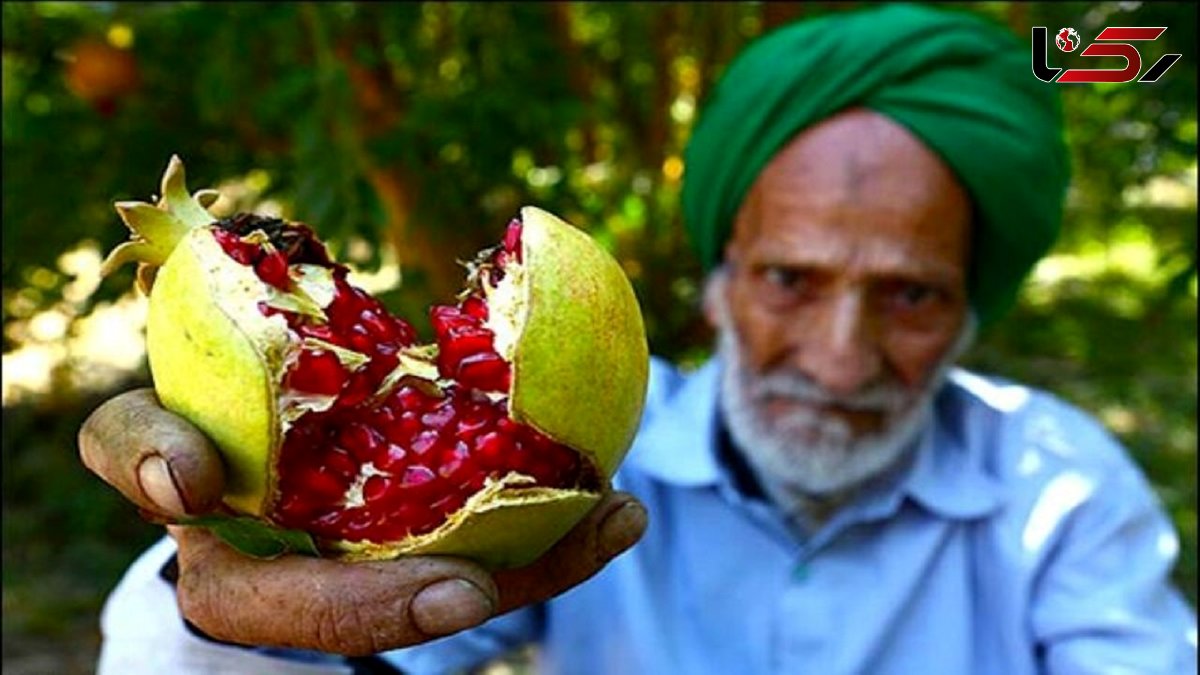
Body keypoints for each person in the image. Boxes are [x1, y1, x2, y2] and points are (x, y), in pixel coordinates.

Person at [80, 4, 1196, 674]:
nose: (841, 354)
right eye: (789, 280)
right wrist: (221, 608)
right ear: (715, 279)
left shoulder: (1067, 496)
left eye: (910, 298)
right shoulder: (576, 473)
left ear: (970, 308)